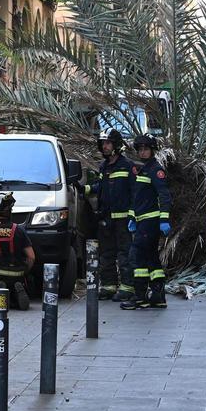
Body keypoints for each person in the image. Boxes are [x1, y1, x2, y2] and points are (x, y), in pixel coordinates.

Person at [121, 133, 173, 310]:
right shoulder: (143, 170)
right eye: (140, 149)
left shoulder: (155, 170)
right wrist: (131, 217)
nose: (143, 152)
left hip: (150, 222)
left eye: (146, 149)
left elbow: (164, 196)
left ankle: (140, 297)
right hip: (143, 222)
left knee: (136, 257)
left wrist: (164, 219)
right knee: (152, 259)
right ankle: (158, 296)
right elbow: (138, 198)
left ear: (152, 150)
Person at [86, 129, 135, 301]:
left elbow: (134, 192)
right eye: (103, 143)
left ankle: (128, 287)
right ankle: (109, 286)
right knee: (106, 254)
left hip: (123, 220)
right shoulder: (104, 166)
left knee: (124, 254)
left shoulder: (127, 166)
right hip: (105, 219)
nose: (105, 146)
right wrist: (88, 189)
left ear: (116, 145)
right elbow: (103, 186)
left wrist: (132, 215)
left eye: (108, 143)